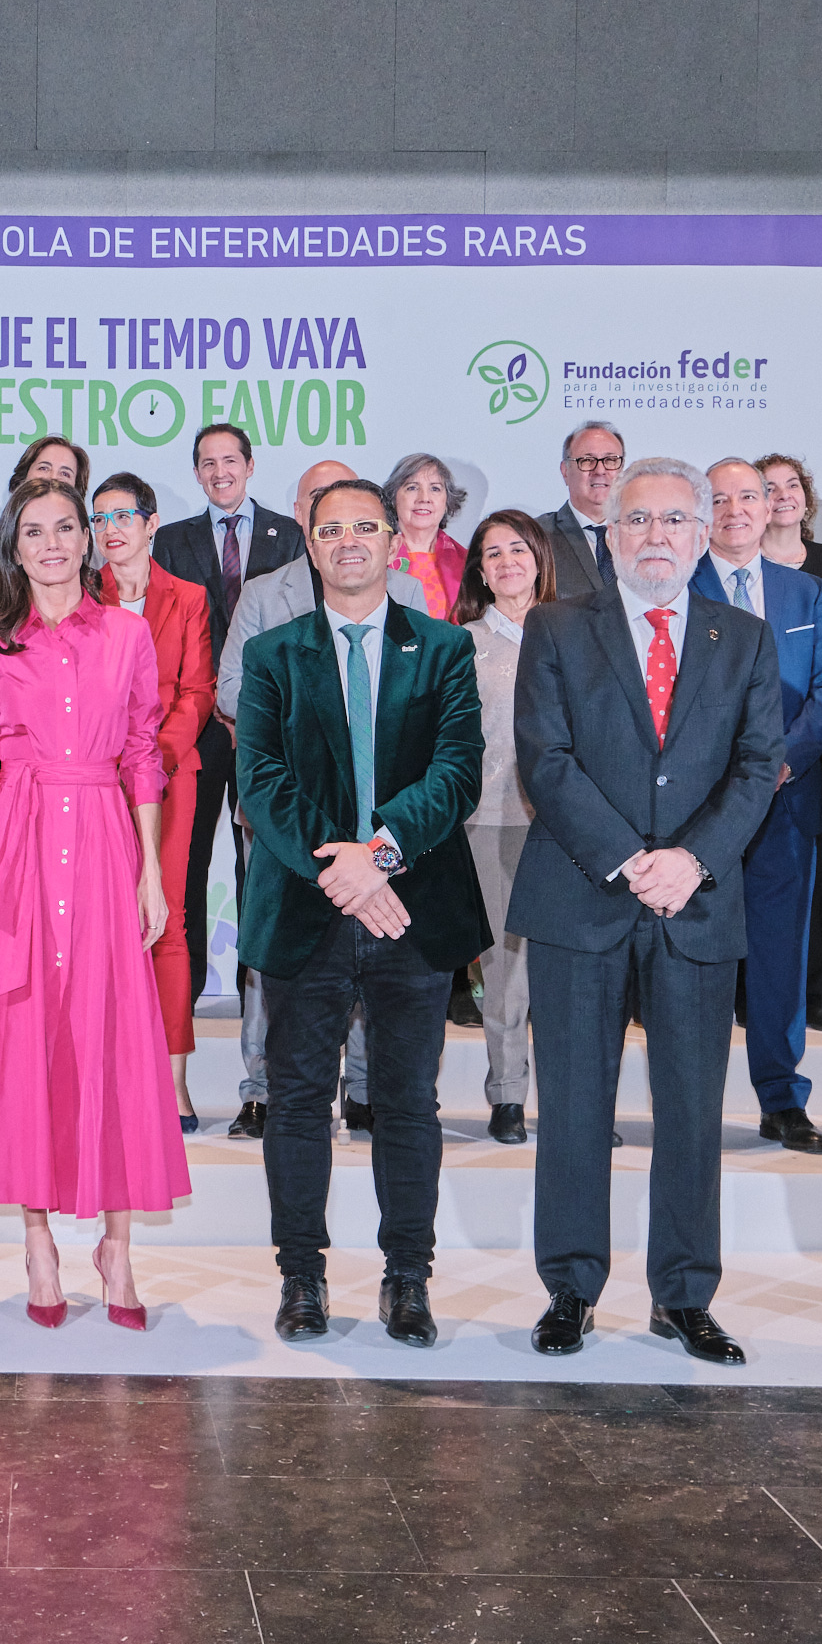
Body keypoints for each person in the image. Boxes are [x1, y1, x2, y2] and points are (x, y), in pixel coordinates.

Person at [514, 458, 782, 1365]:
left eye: (674, 520)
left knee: (692, 1111)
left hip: (696, 907)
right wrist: (632, 860)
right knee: (574, 1109)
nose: (655, 536)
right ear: (610, 535)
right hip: (581, 898)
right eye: (637, 520)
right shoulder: (557, 627)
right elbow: (545, 759)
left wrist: (691, 861)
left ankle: (683, 1296)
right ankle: (570, 1289)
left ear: (703, 535)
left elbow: (758, 765)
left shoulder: (744, 637)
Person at [235, 476, 488, 1349]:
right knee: (299, 1102)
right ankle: (301, 1277)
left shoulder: (444, 647)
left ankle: (407, 1278)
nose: (348, 541)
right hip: (303, 910)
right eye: (330, 529)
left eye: (364, 527)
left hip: (413, 912)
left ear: (390, 541)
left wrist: (376, 860)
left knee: (408, 1103)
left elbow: (456, 773)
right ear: (310, 547)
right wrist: (342, 872)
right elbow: (262, 781)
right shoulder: (272, 654)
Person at [0, 478, 188, 1328]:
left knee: (112, 1033)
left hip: (107, 848)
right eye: (34, 531)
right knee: (26, 1038)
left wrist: (150, 873)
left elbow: (143, 756)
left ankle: (117, 1246)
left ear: (89, 539)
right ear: (15, 545)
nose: (51, 544)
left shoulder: (127, 634)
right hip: (19, 852)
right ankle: (37, 1240)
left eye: (66, 528)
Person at [215, 459, 425, 1136]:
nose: (341, 531)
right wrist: (314, 718)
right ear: (304, 524)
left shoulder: (410, 593)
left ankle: (363, 1086)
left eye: (356, 518)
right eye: (319, 510)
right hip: (287, 815)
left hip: (381, 818)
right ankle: (261, 1087)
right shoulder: (262, 594)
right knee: (278, 952)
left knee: (375, 941)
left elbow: (425, 704)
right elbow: (230, 689)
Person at [688, 459, 822, 1154]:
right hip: (698, 807)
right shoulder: (676, 584)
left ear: (770, 505)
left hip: (785, 802)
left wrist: (782, 761)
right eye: (719, 499)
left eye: (748, 496)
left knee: (780, 957)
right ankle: (691, 1101)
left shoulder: (805, 593)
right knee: (696, 957)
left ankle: (782, 1100)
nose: (736, 511)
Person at [152, 423, 301, 1025]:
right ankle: (181, 990)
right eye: (208, 463)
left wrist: (252, 704)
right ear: (196, 473)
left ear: (250, 465)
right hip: (195, 724)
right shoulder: (172, 540)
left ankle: (255, 990)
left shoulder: (289, 534)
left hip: (267, 722)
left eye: (230, 460)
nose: (220, 472)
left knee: (260, 860)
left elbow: (296, 628)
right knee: (185, 858)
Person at [88, 472, 213, 1125]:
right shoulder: (82, 593)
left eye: (123, 516)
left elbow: (197, 692)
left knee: (165, 919)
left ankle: (173, 1080)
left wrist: (152, 763)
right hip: (92, 780)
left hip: (168, 778)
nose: (110, 529)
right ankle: (103, 1073)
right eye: (99, 518)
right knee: (98, 925)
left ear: (152, 522)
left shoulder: (187, 597)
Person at [452, 508, 553, 1145]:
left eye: (518, 549)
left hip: (572, 824)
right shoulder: (461, 644)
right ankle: (508, 1094)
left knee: (571, 970)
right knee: (506, 965)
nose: (507, 562)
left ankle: (572, 1101)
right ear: (481, 574)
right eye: (493, 554)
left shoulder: (574, 632)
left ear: (539, 559)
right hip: (492, 818)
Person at [760, 452, 822, 1037]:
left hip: (821, 742)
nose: (782, 496)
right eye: (768, 487)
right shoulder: (725, 569)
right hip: (749, 750)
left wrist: (796, 748)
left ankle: (820, 990)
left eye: (791, 484)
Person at [0, 437, 89, 609]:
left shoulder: (96, 558)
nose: (53, 478)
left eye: (65, 473)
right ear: (22, 479)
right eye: (44, 468)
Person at [535, 421, 625, 604]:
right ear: (565, 471)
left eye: (610, 460)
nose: (600, 470)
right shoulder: (536, 536)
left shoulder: (644, 533)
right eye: (587, 460)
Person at [382, 452, 468, 620]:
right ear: (394, 498)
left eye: (435, 488)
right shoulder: (377, 556)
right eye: (412, 488)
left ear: (447, 501)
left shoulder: (467, 562)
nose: (424, 498)